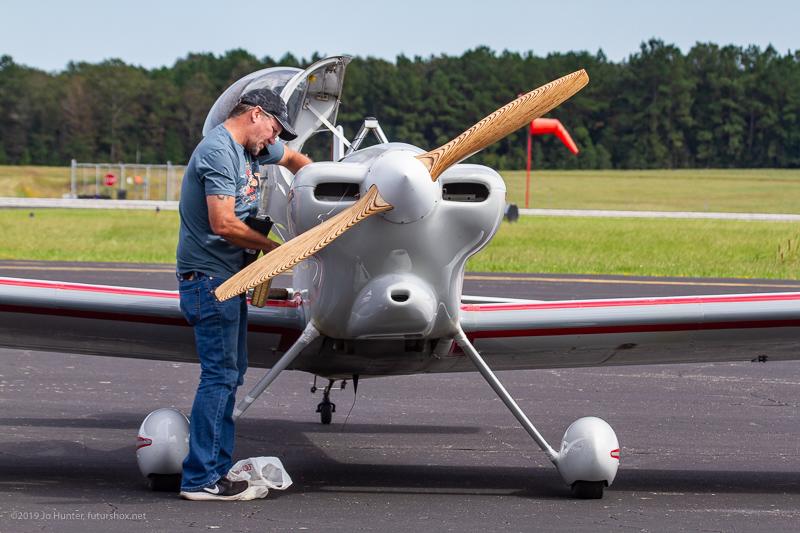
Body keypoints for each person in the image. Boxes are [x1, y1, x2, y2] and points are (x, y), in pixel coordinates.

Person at [175, 88, 311, 501]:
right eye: (274, 128)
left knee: (231, 374)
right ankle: (201, 478)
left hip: (227, 280)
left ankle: (215, 469)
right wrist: (273, 249)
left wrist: (321, 187)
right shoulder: (219, 152)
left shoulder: (253, 148)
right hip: (210, 281)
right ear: (255, 114)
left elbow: (294, 159)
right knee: (219, 375)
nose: (275, 139)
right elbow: (222, 223)